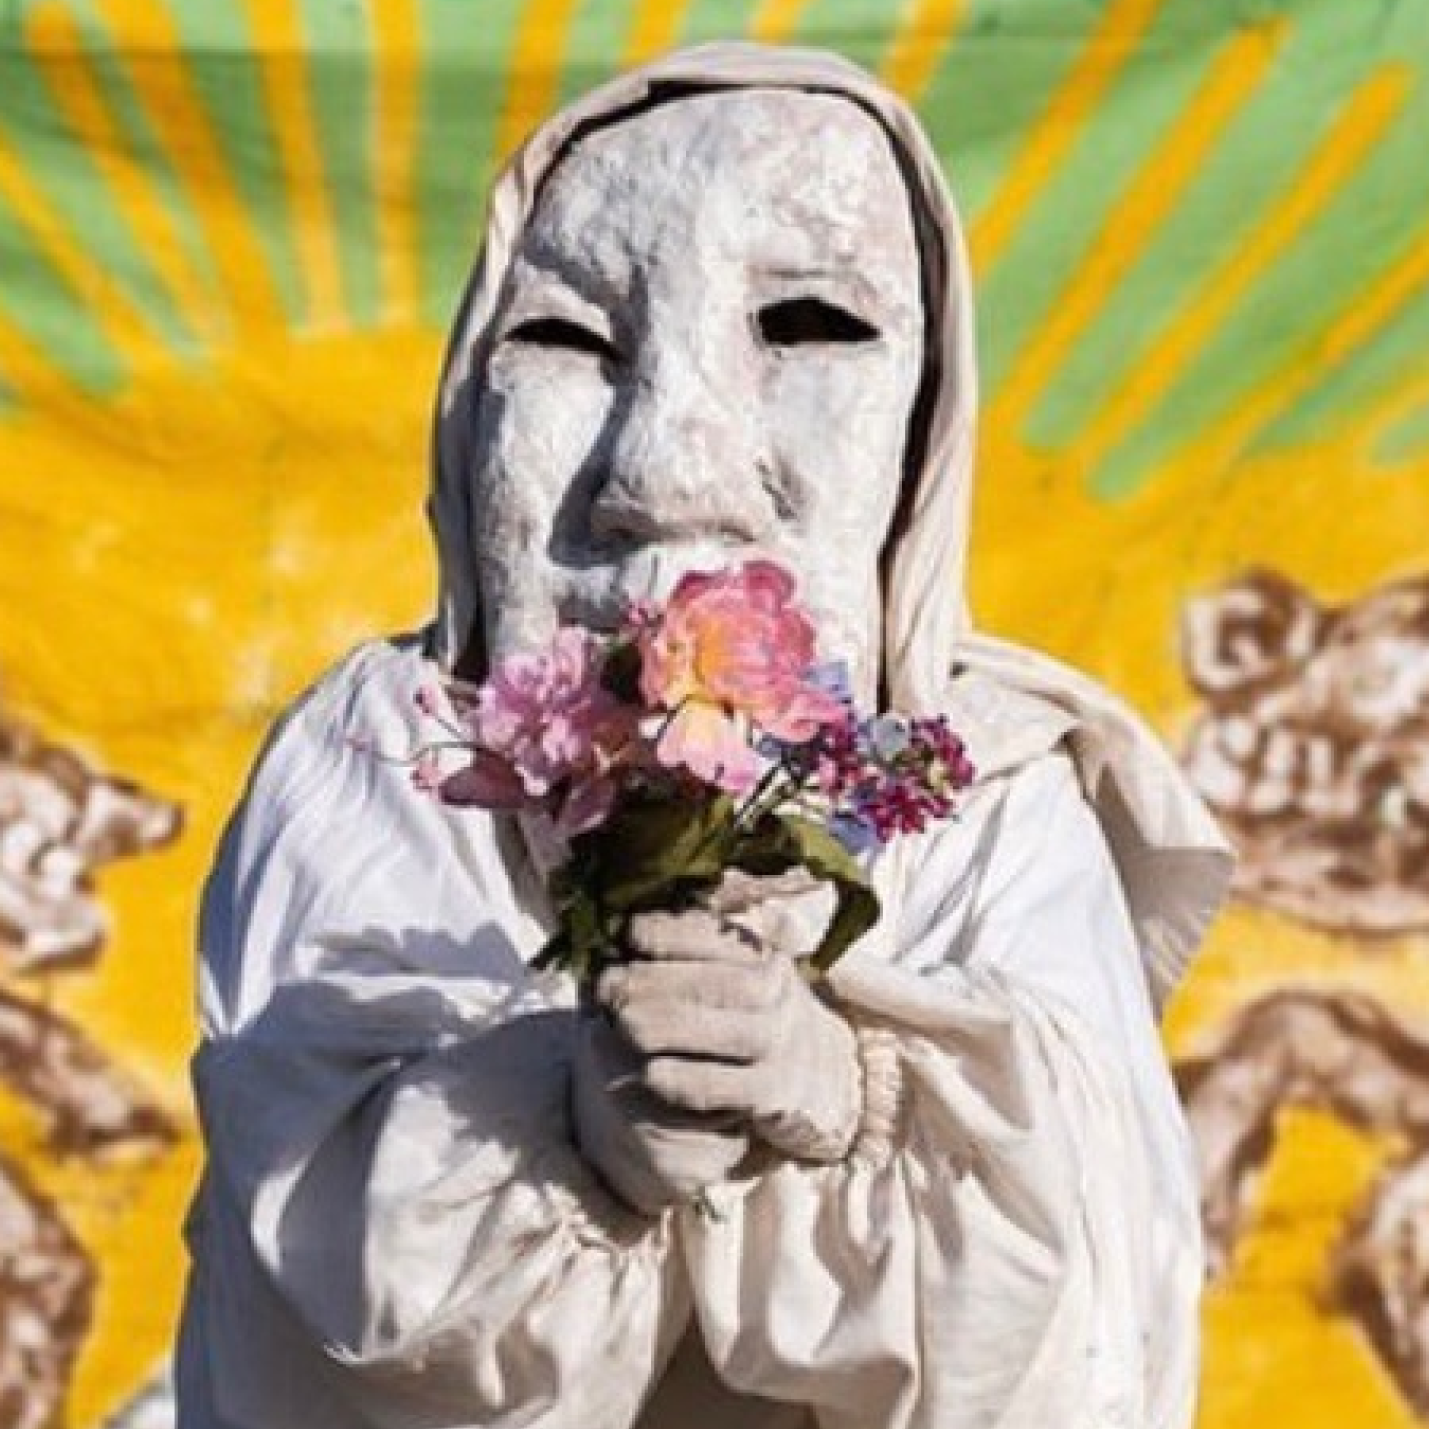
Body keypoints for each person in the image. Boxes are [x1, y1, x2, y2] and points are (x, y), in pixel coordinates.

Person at [176, 42, 1233, 1429]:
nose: (667, 471)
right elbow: (305, 1277)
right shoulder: (380, 764)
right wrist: (566, 1123)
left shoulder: (994, 799)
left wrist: (847, 1089)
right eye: (564, 343)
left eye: (808, 325)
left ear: (923, 436)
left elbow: (1099, 1307)